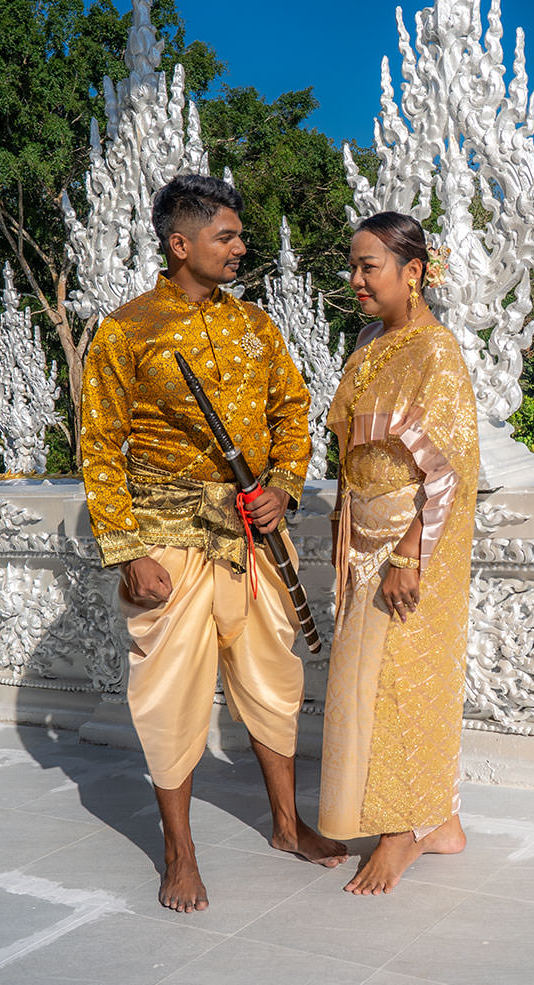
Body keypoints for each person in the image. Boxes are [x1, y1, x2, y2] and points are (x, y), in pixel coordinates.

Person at [81, 173, 347, 914]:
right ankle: (179, 849)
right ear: (180, 243)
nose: (239, 246)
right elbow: (100, 447)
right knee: (171, 693)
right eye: (225, 236)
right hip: (166, 535)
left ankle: (290, 827)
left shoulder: (257, 326)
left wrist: (285, 487)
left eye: (238, 235)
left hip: (253, 531)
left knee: (271, 679)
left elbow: (293, 411)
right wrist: (127, 549)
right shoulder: (125, 330)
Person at [319, 211, 480, 895]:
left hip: (417, 541)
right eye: (352, 267)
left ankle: (400, 834)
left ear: (413, 272)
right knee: (362, 684)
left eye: (369, 266)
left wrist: (412, 552)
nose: (355, 279)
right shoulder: (366, 343)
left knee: (398, 684)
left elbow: (449, 467)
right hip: (363, 538)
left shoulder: (436, 351)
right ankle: (438, 823)